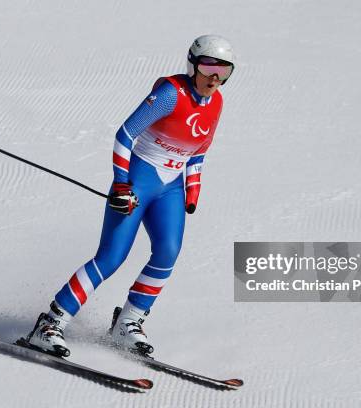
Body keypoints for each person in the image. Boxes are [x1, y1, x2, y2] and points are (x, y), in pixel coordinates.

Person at [23, 34, 235, 357]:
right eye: (208, 67)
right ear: (193, 65)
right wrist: (121, 182)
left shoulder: (217, 103)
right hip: (140, 177)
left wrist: (193, 191)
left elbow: (197, 154)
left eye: (224, 70)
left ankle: (128, 322)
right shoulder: (170, 94)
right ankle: (50, 323)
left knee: (167, 251)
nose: (214, 78)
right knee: (111, 257)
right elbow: (125, 135)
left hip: (171, 187)